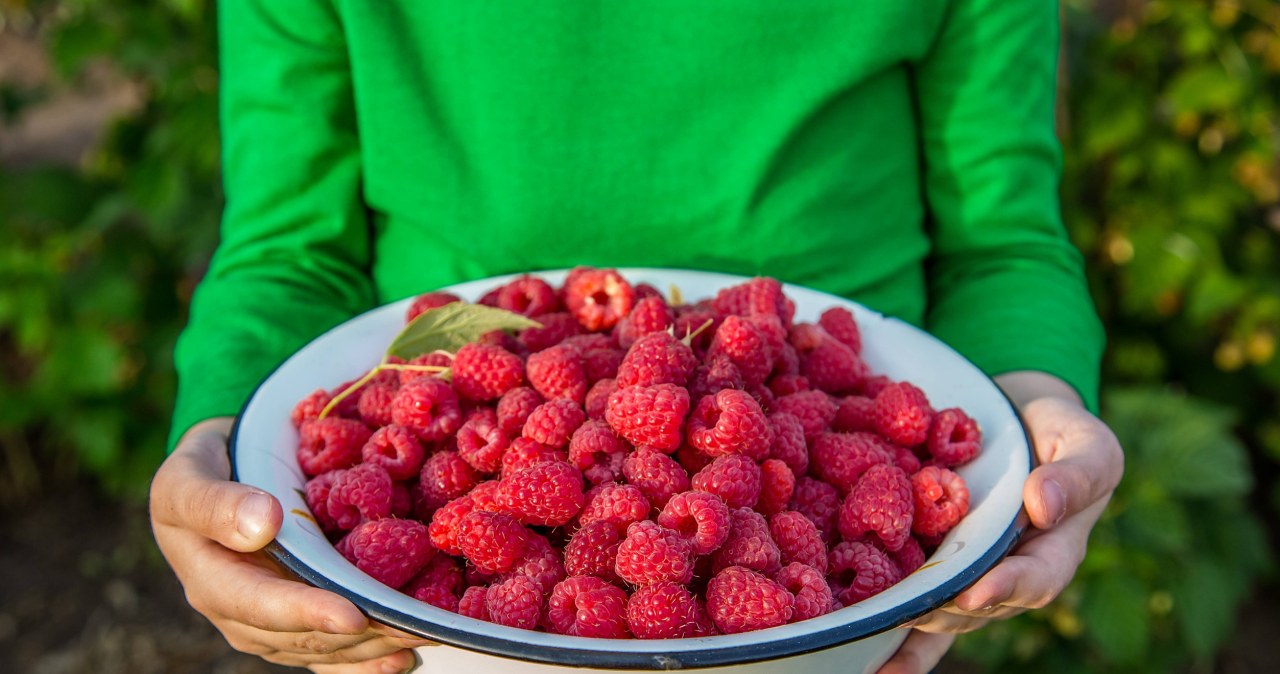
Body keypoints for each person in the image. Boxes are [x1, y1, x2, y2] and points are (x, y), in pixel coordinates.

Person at [149, 1, 1124, 672]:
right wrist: (224, 441)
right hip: (447, 466)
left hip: (833, 465)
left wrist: (1031, 408)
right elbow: (290, 254)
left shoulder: (771, 467)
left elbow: (999, 244)